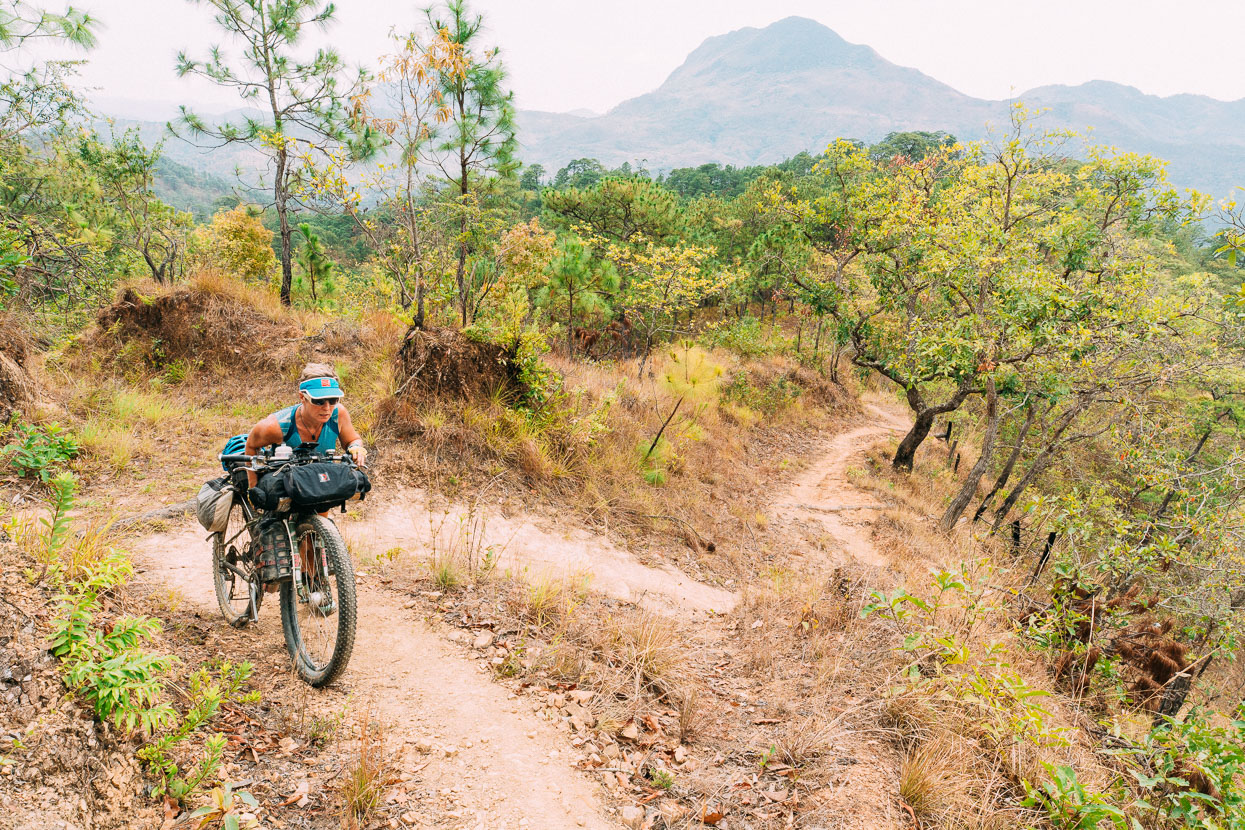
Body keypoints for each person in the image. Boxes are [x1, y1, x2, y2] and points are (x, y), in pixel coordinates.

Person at [243, 363, 367, 484]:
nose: (327, 407)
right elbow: (251, 446)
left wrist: (356, 447)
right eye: (319, 401)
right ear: (302, 397)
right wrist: (253, 486)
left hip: (322, 481)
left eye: (333, 400)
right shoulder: (276, 426)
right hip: (288, 484)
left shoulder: (338, 414)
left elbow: (353, 439)